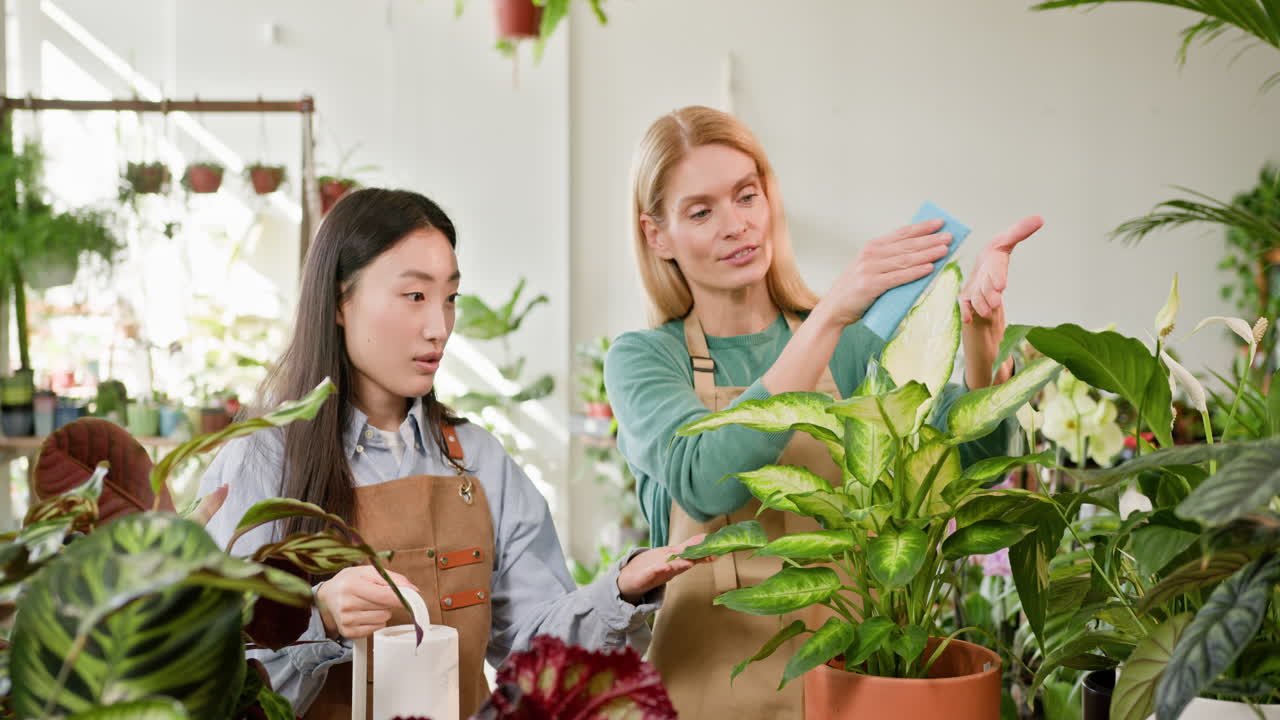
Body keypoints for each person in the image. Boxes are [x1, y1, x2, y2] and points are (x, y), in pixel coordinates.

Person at [198, 188, 705, 719]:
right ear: (339, 302)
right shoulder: (259, 460)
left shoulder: (479, 461)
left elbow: (535, 654)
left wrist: (621, 591)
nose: (438, 327)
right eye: (414, 296)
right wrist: (317, 618)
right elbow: (213, 674)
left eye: (450, 298)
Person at [606, 105, 1042, 719]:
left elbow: (965, 462)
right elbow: (702, 478)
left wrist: (980, 360)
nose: (736, 225)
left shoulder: (855, 346)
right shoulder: (647, 360)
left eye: (746, 196)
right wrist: (831, 317)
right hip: (704, 698)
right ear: (658, 235)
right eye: (701, 211)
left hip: (851, 691)